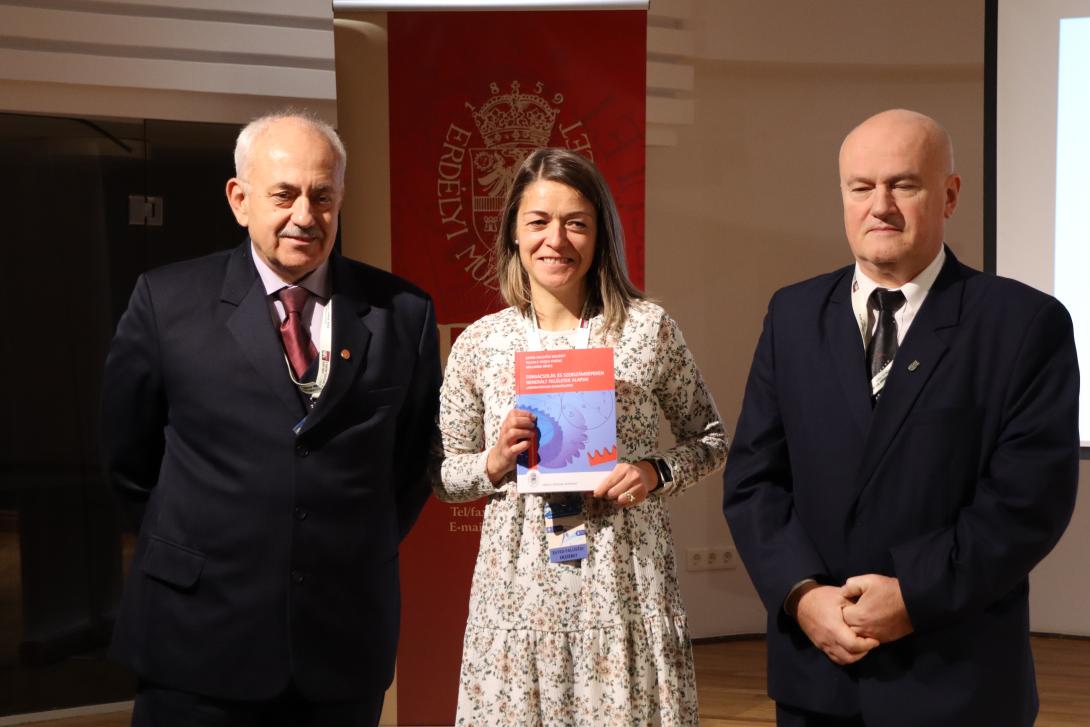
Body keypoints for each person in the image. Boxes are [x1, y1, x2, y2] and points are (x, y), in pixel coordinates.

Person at [722, 108, 1080, 727]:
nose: (879, 206)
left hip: (956, 678)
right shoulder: (792, 315)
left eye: (904, 185)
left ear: (950, 195)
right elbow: (755, 482)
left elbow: (1027, 501)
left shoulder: (1024, 324)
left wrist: (914, 594)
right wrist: (802, 595)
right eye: (861, 187)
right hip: (818, 673)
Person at [100, 110, 441, 726]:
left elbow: (412, 462)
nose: (305, 216)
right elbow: (129, 460)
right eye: (284, 195)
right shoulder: (166, 302)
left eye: (322, 196)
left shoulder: (403, 313)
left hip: (341, 644)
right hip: (197, 641)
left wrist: (344, 547)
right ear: (240, 199)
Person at [435, 148, 727, 726]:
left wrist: (653, 473)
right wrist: (493, 463)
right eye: (538, 222)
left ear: (600, 235)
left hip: (624, 587)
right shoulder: (481, 344)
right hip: (518, 596)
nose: (557, 240)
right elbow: (444, 475)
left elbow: (711, 439)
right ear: (514, 233)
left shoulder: (647, 329)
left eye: (576, 223)